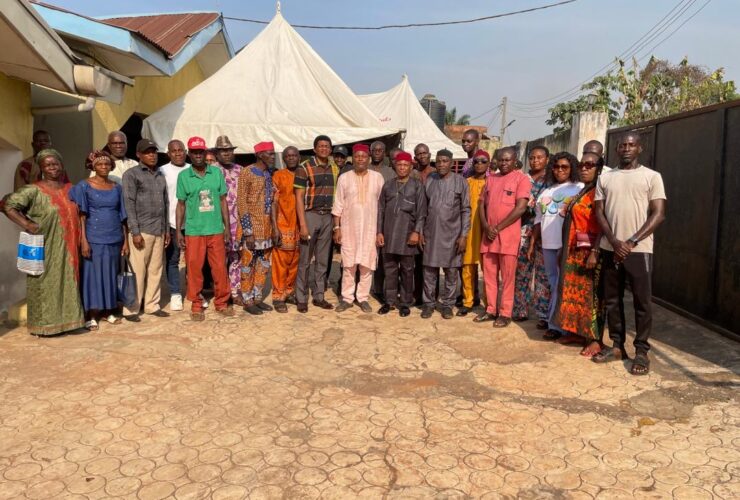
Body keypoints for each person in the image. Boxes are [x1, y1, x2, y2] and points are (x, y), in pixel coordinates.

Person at [593, 132, 666, 375]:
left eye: (631, 145)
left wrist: (631, 241)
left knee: (642, 302)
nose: (626, 148)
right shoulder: (606, 177)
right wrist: (614, 241)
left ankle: (642, 351)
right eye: (622, 145)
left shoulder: (651, 177)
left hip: (639, 250)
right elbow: (599, 212)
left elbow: (658, 214)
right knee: (612, 300)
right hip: (610, 248)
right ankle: (617, 346)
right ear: (616, 149)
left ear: (639, 148)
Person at [4, 149, 84, 335]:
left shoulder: (70, 189)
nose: (52, 168)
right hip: (45, 245)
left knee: (68, 282)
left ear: (62, 166)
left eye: (55, 164)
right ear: (41, 168)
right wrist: (27, 223)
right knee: (44, 283)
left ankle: (70, 322)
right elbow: (8, 205)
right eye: (48, 165)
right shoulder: (33, 190)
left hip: (69, 246)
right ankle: (45, 325)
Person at [551, 152, 606, 357]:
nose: (584, 168)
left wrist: (595, 251)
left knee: (591, 297)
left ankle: (594, 339)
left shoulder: (600, 192)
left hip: (589, 251)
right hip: (574, 250)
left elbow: (604, 224)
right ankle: (577, 332)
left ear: (599, 168)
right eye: (582, 164)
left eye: (590, 165)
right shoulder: (584, 190)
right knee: (574, 296)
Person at [176, 137, 234, 321]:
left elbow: (223, 200)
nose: (198, 155)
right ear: (189, 154)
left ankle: (222, 302)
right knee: (194, 268)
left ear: (206, 153)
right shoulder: (184, 176)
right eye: (194, 152)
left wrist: (226, 227)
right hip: (194, 230)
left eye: (201, 152)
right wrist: (178, 230)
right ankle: (196, 304)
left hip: (215, 228)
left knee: (219, 268)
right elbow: (181, 205)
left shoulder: (216, 173)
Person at [70, 150, 129, 330]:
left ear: (111, 166)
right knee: (93, 276)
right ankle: (92, 313)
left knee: (111, 274)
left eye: (107, 164)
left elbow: (123, 216)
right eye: (100, 164)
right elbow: (82, 216)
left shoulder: (116, 187)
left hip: (114, 237)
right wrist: (84, 241)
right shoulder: (84, 186)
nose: (104, 167)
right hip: (94, 237)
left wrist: (125, 241)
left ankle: (108, 310)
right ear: (93, 167)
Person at [529, 152, 582, 340]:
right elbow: (538, 219)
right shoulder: (547, 192)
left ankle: (558, 325)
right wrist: (533, 243)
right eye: (557, 166)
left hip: (567, 245)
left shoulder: (578, 188)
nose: (560, 170)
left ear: (572, 168)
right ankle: (557, 323)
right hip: (548, 245)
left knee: (564, 285)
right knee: (553, 284)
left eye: (565, 167)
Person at [477, 147, 532, 327]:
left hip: (508, 237)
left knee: (508, 277)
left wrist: (498, 228)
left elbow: (521, 208)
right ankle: (491, 310)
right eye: (501, 160)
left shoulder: (521, 179)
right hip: (489, 237)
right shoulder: (491, 179)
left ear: (515, 160)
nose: (504, 163)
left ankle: (505, 313)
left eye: (507, 160)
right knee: (489, 276)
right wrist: (486, 226)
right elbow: (482, 204)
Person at [121, 139, 170, 321]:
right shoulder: (131, 175)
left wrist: (165, 230)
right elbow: (129, 204)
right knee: (138, 271)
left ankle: (151, 305)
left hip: (158, 229)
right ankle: (131, 309)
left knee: (156, 270)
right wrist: (135, 232)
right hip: (141, 231)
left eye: (154, 152)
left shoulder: (160, 174)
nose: (152, 155)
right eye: (147, 152)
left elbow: (165, 203)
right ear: (139, 155)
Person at [333, 144, 384, 313]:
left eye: (363, 156)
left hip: (370, 229)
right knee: (348, 265)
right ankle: (347, 298)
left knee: (367, 264)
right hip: (349, 228)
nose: (360, 159)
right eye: (357, 156)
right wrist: (337, 228)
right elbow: (338, 204)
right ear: (352, 159)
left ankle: (362, 298)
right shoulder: (344, 178)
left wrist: (379, 231)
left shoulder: (377, 178)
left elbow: (382, 206)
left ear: (368, 158)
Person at [419, 149, 470, 319]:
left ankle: (447, 304)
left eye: (445, 161)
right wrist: (419, 231)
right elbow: (423, 209)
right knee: (429, 272)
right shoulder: (430, 180)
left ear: (451, 162)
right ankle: (428, 304)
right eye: (438, 161)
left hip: (453, 235)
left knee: (451, 272)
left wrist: (463, 235)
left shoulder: (460, 182)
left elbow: (466, 210)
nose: (441, 164)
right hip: (431, 234)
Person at [376, 151, 427, 317]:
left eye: (405, 165)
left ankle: (405, 302)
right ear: (394, 166)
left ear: (410, 167)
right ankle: (389, 301)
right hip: (389, 234)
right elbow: (381, 210)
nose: (402, 168)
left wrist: (416, 232)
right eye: (399, 165)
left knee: (407, 271)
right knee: (389, 270)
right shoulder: (388, 185)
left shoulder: (417, 185)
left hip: (407, 235)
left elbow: (422, 212)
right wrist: (379, 232)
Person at [294, 135, 338, 312]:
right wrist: (303, 224)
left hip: (328, 216)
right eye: (320, 146)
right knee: (305, 260)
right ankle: (301, 297)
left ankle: (319, 296)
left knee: (322, 260)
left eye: (327, 146)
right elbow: (298, 197)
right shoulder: (304, 167)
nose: (324, 149)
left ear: (330, 149)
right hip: (310, 215)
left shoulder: (334, 167)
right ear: (314, 149)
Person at [237, 142, 278, 315]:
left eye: (273, 153)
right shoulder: (247, 172)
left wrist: (275, 227)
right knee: (247, 265)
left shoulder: (269, 173)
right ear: (260, 154)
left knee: (263, 265)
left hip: (267, 229)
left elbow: (273, 201)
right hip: (252, 229)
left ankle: (257, 297)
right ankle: (247, 300)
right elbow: (241, 203)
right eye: (269, 153)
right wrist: (248, 232)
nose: (273, 156)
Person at [513, 146, 550, 326]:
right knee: (522, 271)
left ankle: (543, 314)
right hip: (523, 230)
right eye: (532, 158)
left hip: (545, 231)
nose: (535, 161)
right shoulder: (521, 178)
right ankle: (520, 308)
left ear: (547, 159)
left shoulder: (551, 180)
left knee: (542, 273)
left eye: (539, 158)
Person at [159, 139, 189, 311]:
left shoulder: (192, 169)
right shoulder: (162, 171)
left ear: (185, 151)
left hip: (191, 223)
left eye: (180, 150)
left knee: (193, 261)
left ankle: (193, 292)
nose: (178, 153)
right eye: (174, 151)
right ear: (168, 153)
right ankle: (175, 294)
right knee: (172, 260)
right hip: (171, 222)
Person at [459, 149, 489, 316]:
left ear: (489, 164)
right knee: (468, 267)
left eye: (483, 161)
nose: (479, 164)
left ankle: (489, 303)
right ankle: (468, 301)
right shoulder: (466, 182)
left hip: (487, 230)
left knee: (488, 270)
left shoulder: (493, 182)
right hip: (469, 230)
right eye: (476, 161)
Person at [214, 135, 244, 305]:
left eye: (229, 151)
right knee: (219, 260)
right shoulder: (211, 170)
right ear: (217, 153)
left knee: (236, 258)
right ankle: (222, 293)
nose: (226, 154)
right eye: (222, 151)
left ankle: (235, 291)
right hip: (218, 222)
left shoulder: (241, 170)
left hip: (238, 223)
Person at [271, 146, 301, 312]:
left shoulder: (304, 174)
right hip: (283, 225)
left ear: (299, 157)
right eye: (288, 156)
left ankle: (289, 292)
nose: (291, 158)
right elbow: (274, 202)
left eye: (294, 155)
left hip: (300, 226)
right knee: (280, 263)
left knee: (295, 262)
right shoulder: (278, 175)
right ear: (284, 158)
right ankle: (278, 295)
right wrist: (275, 227)